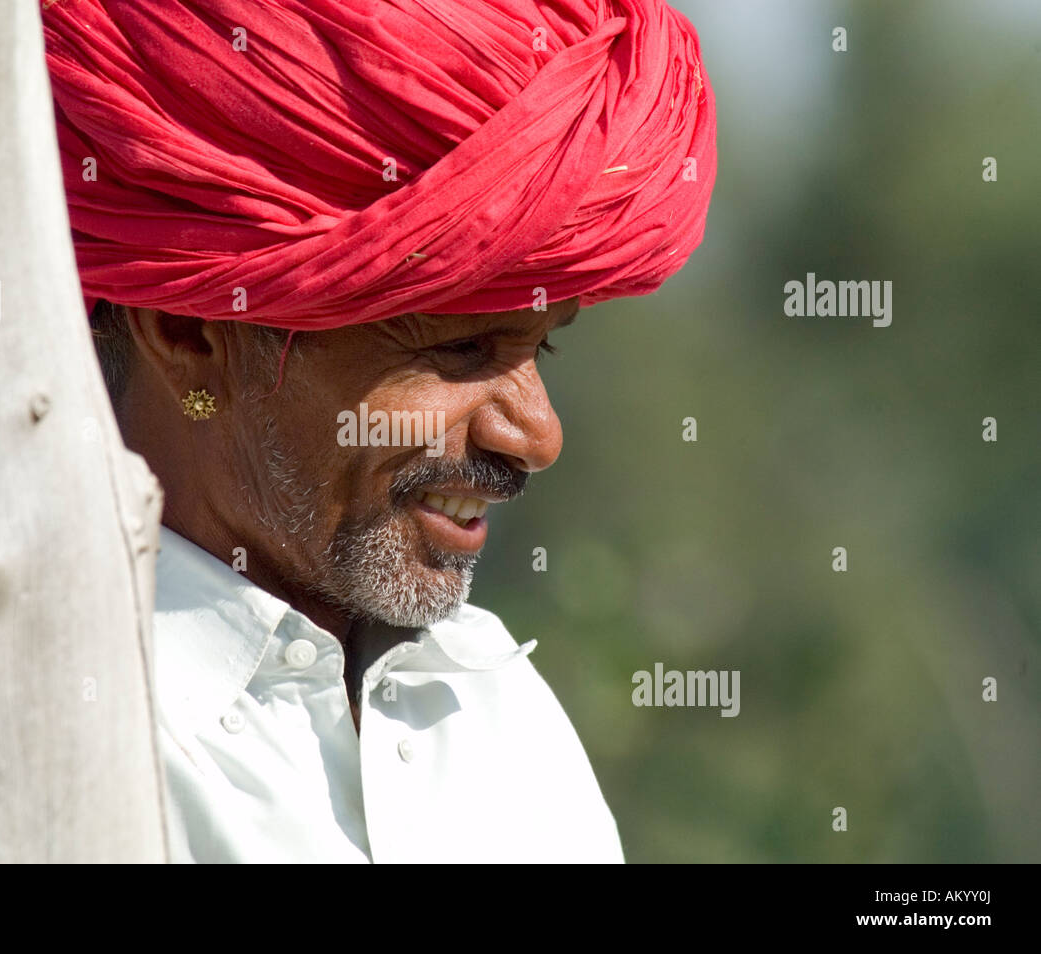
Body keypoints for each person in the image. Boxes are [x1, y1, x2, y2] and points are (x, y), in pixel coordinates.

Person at [44, 0, 715, 862]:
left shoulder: (493, 713)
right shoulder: (18, 739)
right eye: (459, 348)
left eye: (540, 344)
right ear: (188, 334)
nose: (537, 435)